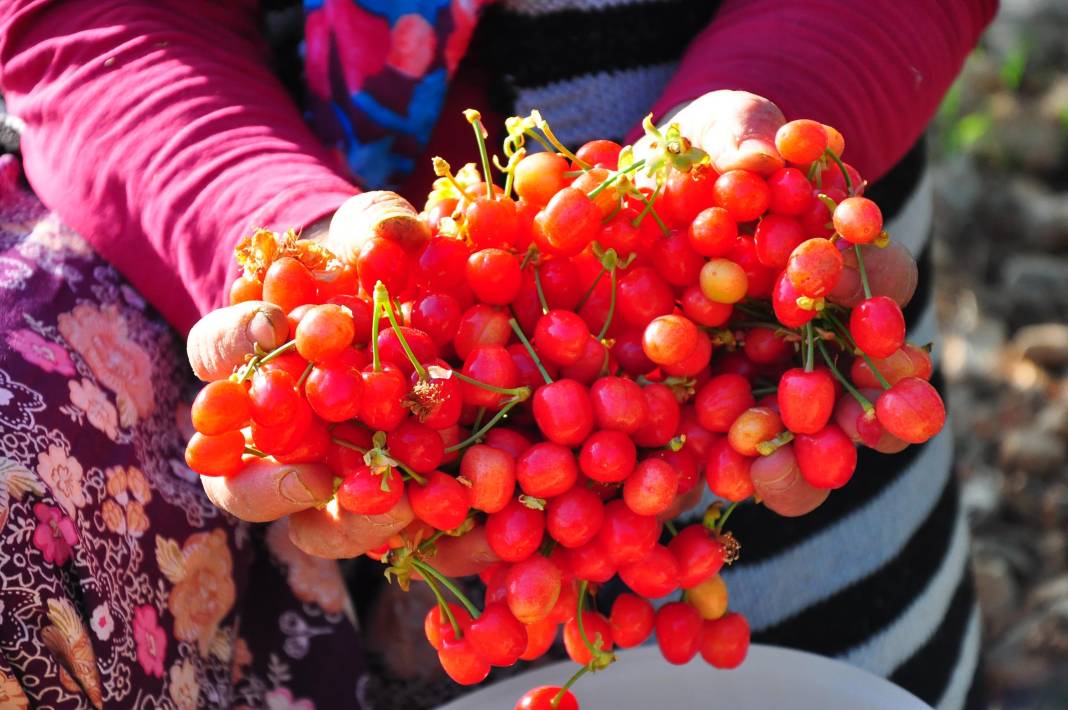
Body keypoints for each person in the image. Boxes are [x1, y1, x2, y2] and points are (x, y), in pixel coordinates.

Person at [0, 1, 996, 708]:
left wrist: (768, 126)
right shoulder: (370, 359)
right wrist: (280, 237)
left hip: (790, 439)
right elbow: (86, 19)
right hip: (304, 476)